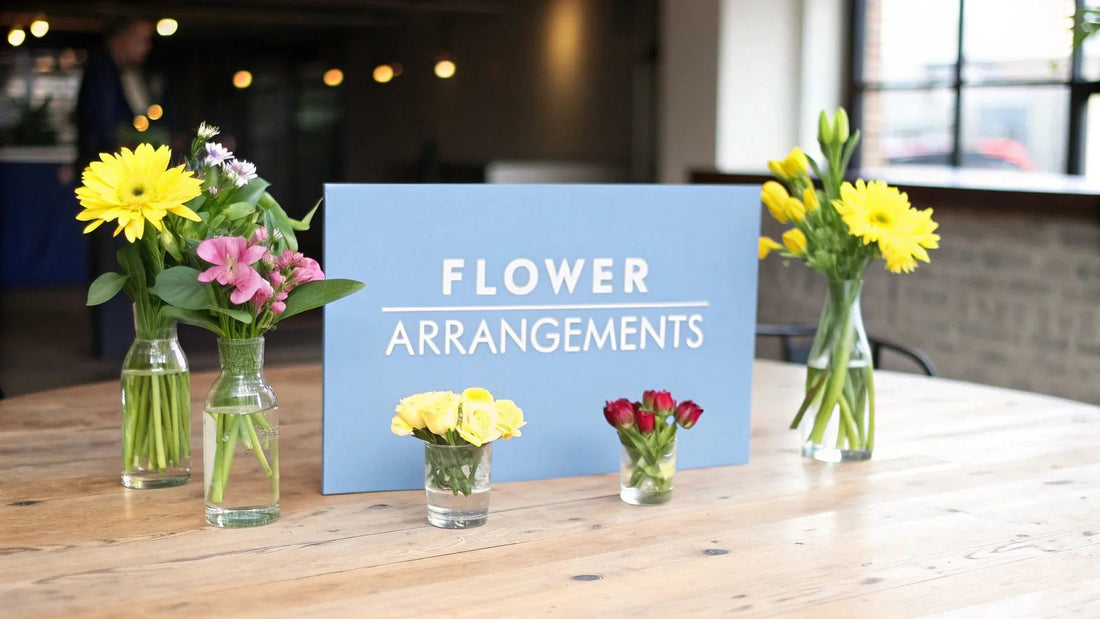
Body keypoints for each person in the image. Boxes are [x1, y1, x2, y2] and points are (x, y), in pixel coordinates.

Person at [74, 18, 155, 359]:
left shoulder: (114, 71)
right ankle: (115, 345)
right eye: (142, 39)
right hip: (109, 181)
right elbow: (104, 130)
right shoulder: (101, 71)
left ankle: (123, 342)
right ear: (122, 37)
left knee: (124, 258)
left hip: (117, 175)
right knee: (113, 259)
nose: (147, 48)